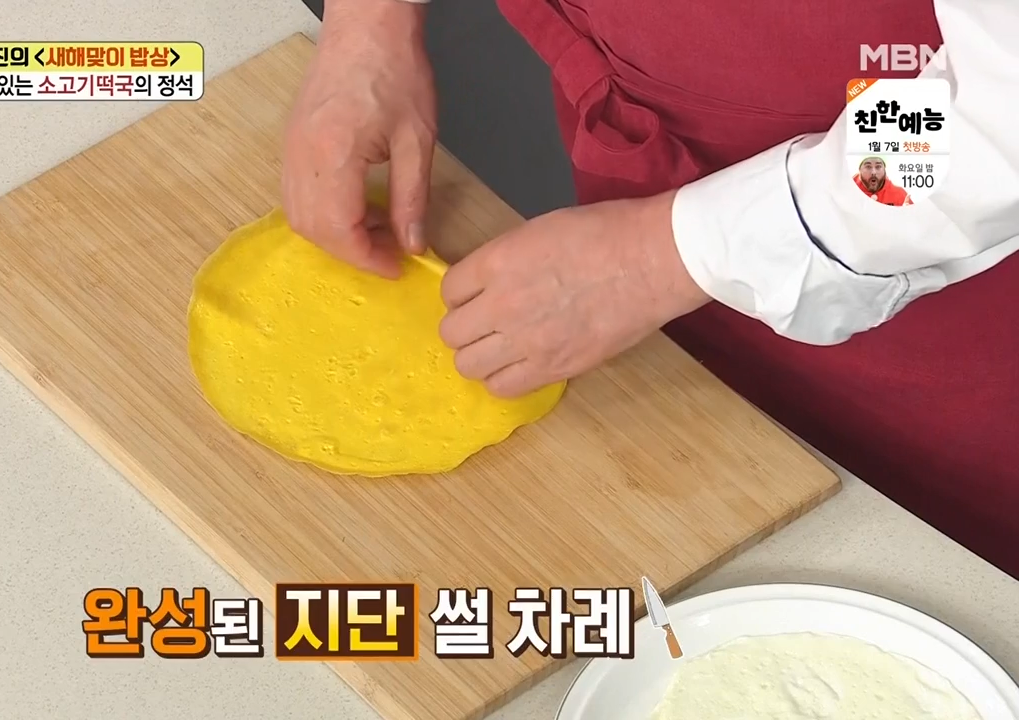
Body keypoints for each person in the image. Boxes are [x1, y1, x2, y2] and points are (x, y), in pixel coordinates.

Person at [280, 0, 1019, 578]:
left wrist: (657, 259)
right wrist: (370, 25)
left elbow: (998, 116)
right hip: (650, 203)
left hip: (935, 299)